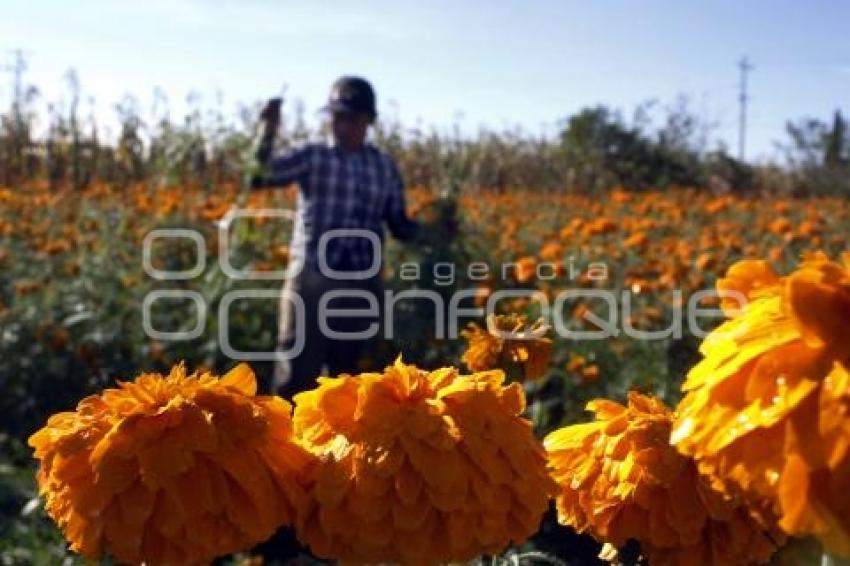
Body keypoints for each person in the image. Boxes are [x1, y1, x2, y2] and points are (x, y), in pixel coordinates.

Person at [250, 76, 420, 398]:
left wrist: (436, 229)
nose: (342, 126)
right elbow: (258, 178)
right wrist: (268, 131)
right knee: (296, 378)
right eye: (337, 117)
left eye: (352, 118)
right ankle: (285, 447)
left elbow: (398, 222)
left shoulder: (383, 167)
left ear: (369, 121)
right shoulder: (313, 156)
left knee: (348, 383)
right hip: (313, 280)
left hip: (361, 284)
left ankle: (338, 449)